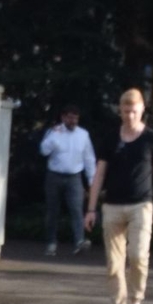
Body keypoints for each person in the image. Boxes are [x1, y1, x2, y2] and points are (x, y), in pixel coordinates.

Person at [86, 88, 153, 304]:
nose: (130, 116)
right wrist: (91, 209)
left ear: (142, 109)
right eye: (126, 111)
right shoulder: (111, 139)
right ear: (120, 111)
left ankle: (135, 302)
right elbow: (99, 173)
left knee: (138, 255)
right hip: (112, 205)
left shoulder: (152, 138)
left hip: (142, 204)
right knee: (114, 262)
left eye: (134, 111)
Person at [38, 106, 93, 256]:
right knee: (52, 211)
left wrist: (91, 180)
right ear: (63, 118)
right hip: (54, 175)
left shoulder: (83, 134)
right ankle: (51, 243)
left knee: (76, 209)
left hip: (74, 176)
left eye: (75, 118)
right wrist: (53, 138)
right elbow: (43, 151)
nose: (73, 121)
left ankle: (79, 242)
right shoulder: (54, 132)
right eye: (70, 118)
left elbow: (89, 158)